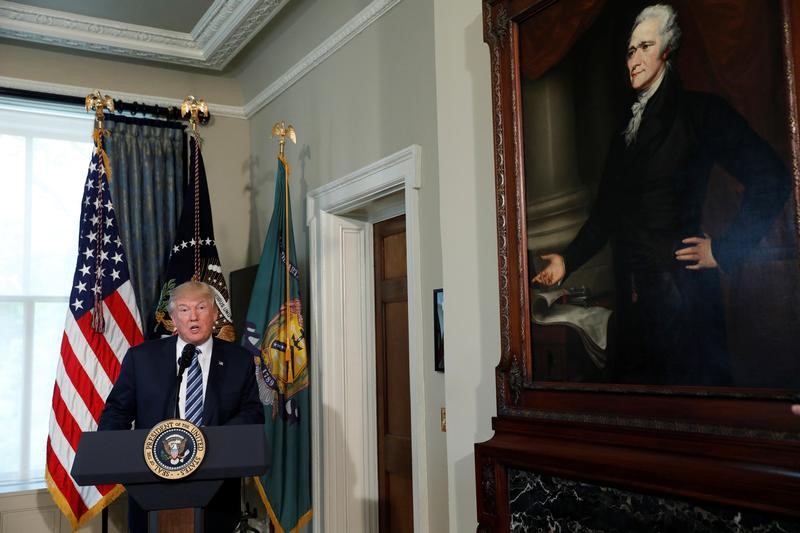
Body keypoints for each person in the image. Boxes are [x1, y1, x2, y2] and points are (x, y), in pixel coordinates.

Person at [532, 4, 790, 385]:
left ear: (666, 51)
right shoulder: (626, 130)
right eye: (630, 50)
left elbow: (772, 176)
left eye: (645, 47)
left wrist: (725, 249)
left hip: (683, 301)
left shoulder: (699, 113)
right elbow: (607, 210)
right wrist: (567, 261)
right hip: (635, 302)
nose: (634, 59)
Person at [98, 280, 264, 532]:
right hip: (151, 486)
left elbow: (252, 413)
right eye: (184, 310)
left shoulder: (239, 360)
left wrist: (213, 440)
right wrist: (112, 452)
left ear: (215, 314)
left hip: (216, 489)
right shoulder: (142, 358)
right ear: (174, 317)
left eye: (201, 308)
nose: (193, 317)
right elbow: (117, 411)